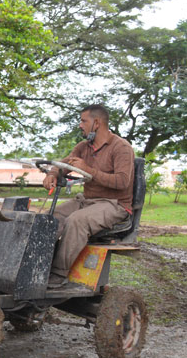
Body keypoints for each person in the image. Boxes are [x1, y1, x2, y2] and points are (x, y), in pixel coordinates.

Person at [43, 104, 134, 288]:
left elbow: (123, 182)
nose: (80, 125)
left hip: (115, 205)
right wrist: (52, 173)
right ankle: (39, 264)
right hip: (87, 201)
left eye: (84, 121)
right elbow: (64, 163)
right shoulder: (83, 147)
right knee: (49, 218)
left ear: (97, 123)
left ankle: (58, 274)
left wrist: (88, 170)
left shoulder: (121, 147)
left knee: (77, 221)